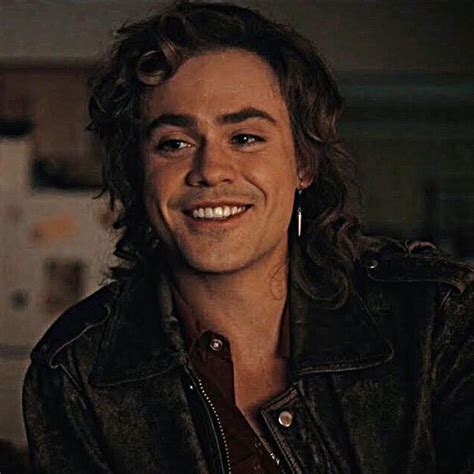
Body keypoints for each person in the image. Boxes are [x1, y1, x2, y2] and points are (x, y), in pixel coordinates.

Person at [22, 1, 474, 473]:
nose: (210, 170)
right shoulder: (75, 372)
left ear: (303, 164)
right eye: (174, 143)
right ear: (138, 174)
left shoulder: (435, 318)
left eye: (244, 138)